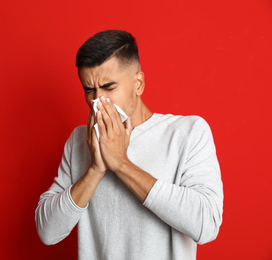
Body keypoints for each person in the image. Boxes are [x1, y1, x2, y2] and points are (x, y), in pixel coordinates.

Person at [35, 30, 223, 260]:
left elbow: (207, 225)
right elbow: (47, 232)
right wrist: (96, 169)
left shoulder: (187, 132)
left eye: (108, 87)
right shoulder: (79, 141)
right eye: (88, 89)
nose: (97, 101)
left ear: (138, 83)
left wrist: (121, 164)